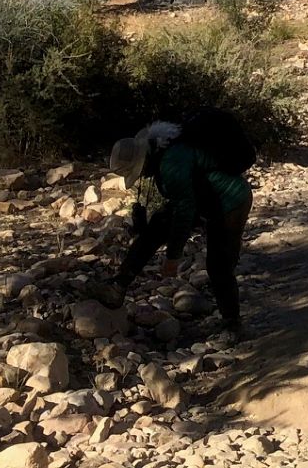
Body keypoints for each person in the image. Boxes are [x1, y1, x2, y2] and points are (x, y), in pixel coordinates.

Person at [109, 113, 254, 338]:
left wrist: (173, 256)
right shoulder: (162, 155)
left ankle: (232, 324)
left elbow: (185, 211)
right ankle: (118, 286)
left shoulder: (171, 162)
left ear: (143, 160)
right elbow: (181, 204)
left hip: (229, 202)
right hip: (205, 199)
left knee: (219, 265)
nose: (141, 176)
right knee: (156, 227)